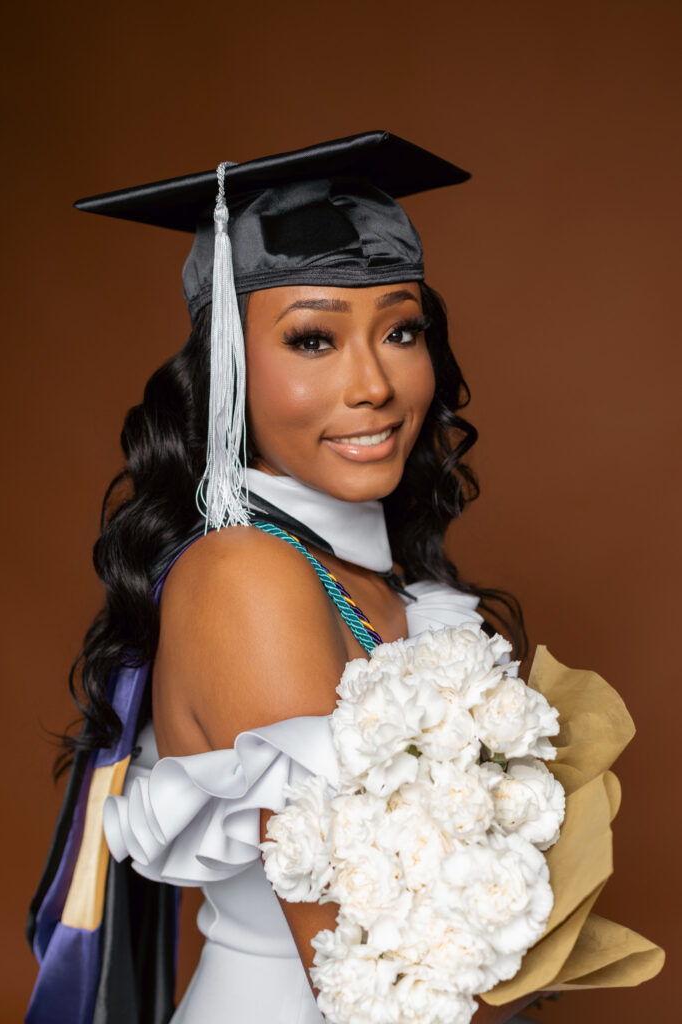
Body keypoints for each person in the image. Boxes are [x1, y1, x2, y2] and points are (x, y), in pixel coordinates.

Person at [27, 131, 536, 1024]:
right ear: (227, 371)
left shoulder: (380, 578)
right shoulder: (246, 577)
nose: (373, 383)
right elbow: (360, 975)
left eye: (400, 330)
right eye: (312, 341)